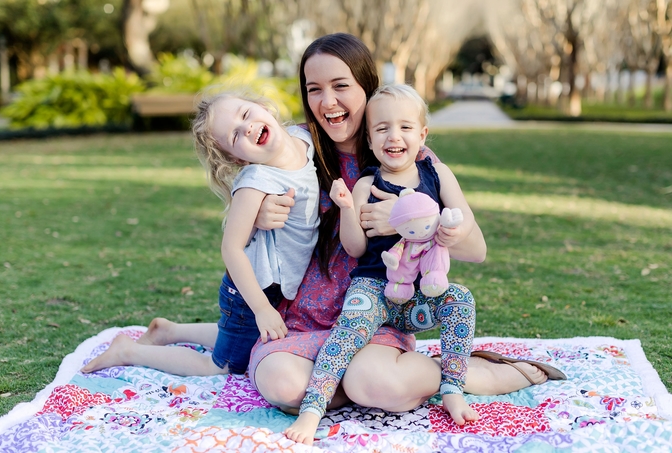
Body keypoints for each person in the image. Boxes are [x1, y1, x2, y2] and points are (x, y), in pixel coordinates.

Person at [249, 32, 556, 434]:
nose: (328, 102)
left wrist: (407, 216)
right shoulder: (297, 152)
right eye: (314, 89)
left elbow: (476, 248)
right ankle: (391, 378)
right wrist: (259, 213)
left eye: (341, 86)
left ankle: (466, 373)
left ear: (366, 86)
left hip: (380, 314)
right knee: (284, 385)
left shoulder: (414, 159)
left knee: (381, 386)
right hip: (307, 321)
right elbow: (238, 193)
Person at [284, 84, 479, 445]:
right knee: (348, 331)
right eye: (382, 128)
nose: (394, 136)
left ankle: (453, 386)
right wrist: (346, 208)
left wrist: (446, 228)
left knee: (462, 300)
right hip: (374, 287)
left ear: (421, 135)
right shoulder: (366, 184)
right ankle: (313, 408)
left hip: (423, 293)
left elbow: (465, 221)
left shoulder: (438, 174)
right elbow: (355, 248)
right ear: (370, 141)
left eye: (405, 127)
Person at [81, 89, 319, 377]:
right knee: (224, 364)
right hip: (250, 291)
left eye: (245, 114)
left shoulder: (305, 139)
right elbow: (231, 249)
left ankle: (169, 331)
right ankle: (129, 351)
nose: (247, 127)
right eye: (235, 137)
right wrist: (261, 308)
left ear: (263, 107)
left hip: (272, 287)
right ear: (237, 159)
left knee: (240, 334)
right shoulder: (257, 181)